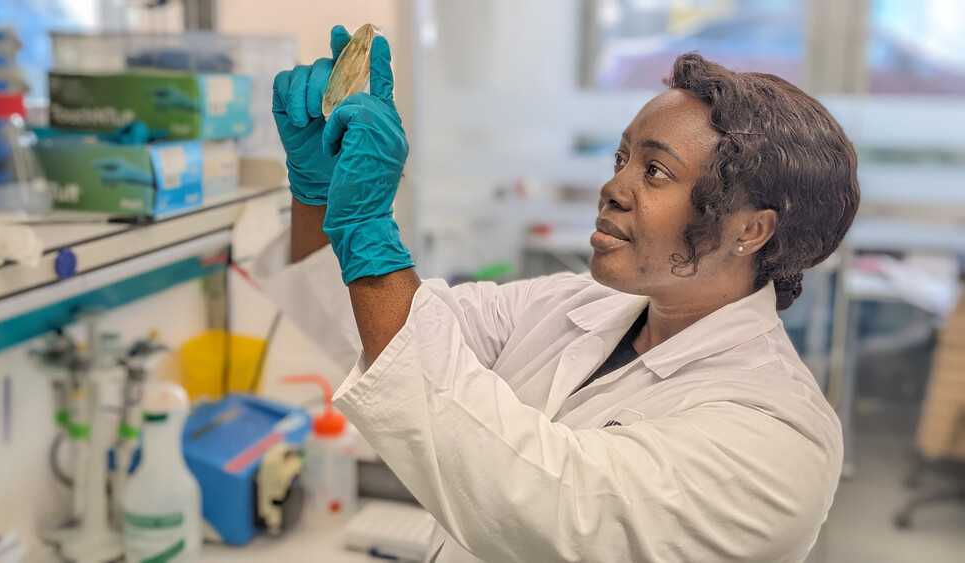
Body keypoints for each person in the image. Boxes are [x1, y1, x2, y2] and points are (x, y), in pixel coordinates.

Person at [255, 25, 859, 562]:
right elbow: (385, 332)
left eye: (654, 171)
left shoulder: (778, 439)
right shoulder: (574, 306)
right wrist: (321, 192)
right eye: (622, 158)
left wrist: (368, 226)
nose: (613, 187)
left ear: (751, 230)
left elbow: (548, 501)